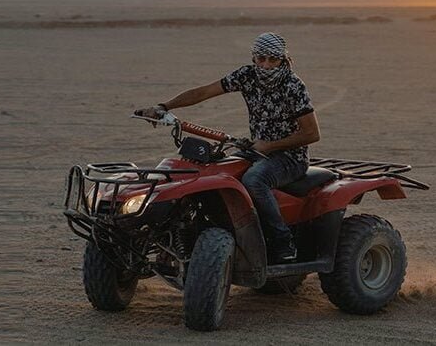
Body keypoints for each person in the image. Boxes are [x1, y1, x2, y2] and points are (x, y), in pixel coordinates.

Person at [135, 32, 320, 263]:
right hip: (257, 151)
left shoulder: (293, 86)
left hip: (290, 158)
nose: (266, 65)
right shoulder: (246, 76)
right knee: (209, 170)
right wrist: (164, 106)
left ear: (283, 60)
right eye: (261, 59)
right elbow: (204, 92)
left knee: (254, 180)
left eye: (273, 60)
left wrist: (270, 145)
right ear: (254, 58)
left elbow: (312, 133)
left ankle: (283, 242)